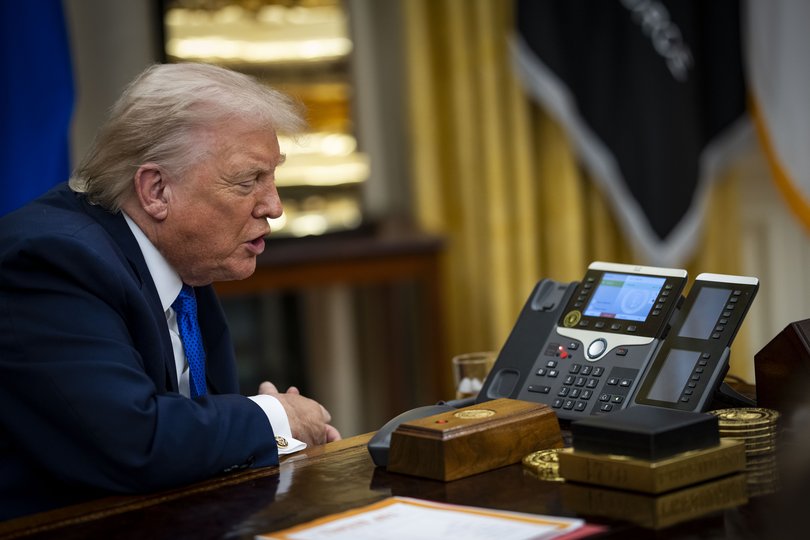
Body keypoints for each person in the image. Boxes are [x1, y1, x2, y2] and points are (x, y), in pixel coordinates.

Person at [0, 62, 340, 520]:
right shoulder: (53, 262)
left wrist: (269, 430)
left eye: (272, 177)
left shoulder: (184, 262)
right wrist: (275, 418)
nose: (274, 207)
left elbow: (191, 430)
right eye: (248, 182)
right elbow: (134, 443)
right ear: (156, 190)